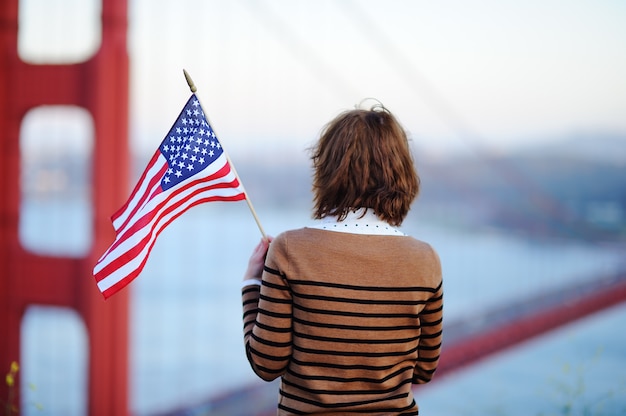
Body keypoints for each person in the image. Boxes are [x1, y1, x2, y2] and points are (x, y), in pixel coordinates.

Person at [241, 102, 443, 415]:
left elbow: (267, 364)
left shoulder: (288, 250)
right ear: (401, 172)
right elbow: (423, 370)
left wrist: (252, 284)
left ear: (327, 168)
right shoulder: (426, 260)